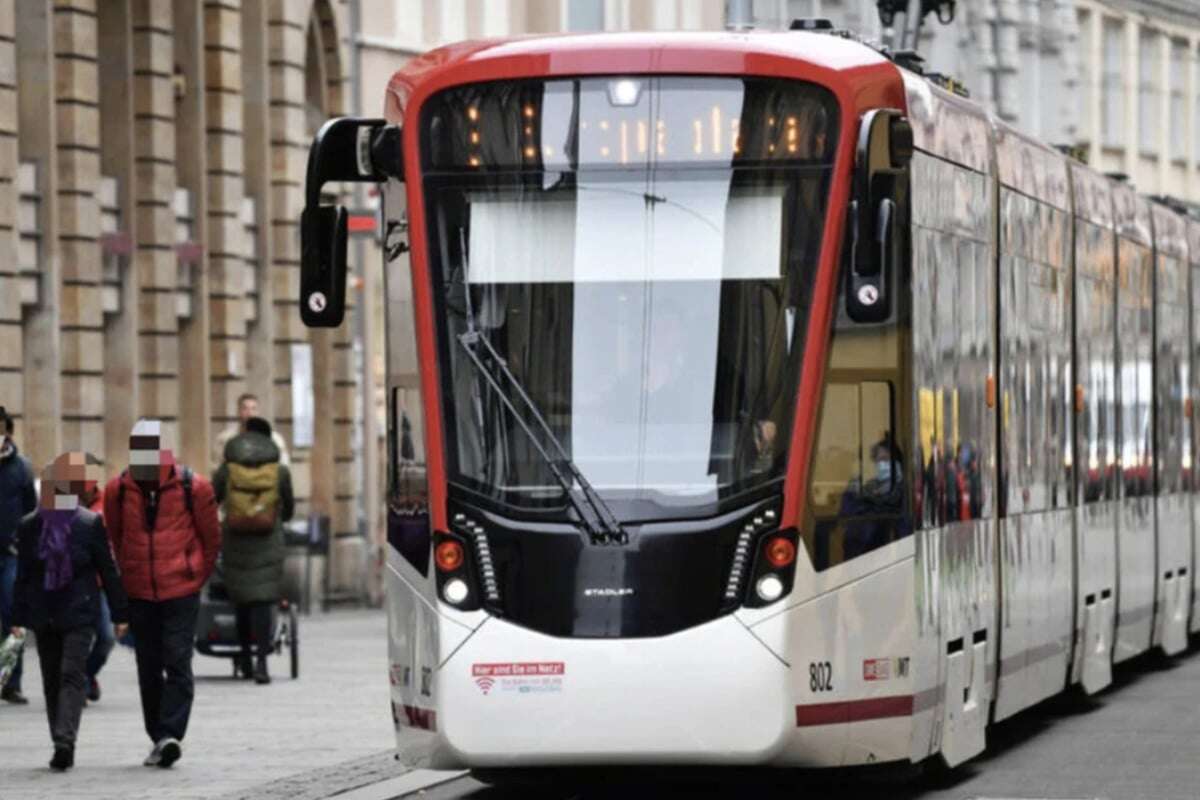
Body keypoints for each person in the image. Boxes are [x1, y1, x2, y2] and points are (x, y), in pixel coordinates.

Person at [104, 419, 220, 768]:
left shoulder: (193, 487)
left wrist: (195, 574)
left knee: (178, 660)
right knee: (148, 666)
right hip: (139, 590)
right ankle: (159, 736)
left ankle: (171, 733)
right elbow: (114, 535)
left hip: (180, 589)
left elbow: (211, 538)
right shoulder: (118, 490)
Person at [10, 452, 129, 771]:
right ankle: (59, 738)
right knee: (51, 678)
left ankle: (65, 740)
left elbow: (108, 569)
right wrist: (17, 620)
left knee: (71, 674)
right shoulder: (30, 526)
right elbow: (23, 576)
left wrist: (120, 614)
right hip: (45, 614)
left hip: (79, 611)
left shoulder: (89, 524)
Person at [213, 417, 294, 684]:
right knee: (263, 601)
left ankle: (245, 658)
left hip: (235, 541)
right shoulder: (280, 472)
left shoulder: (227, 470)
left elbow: (213, 499)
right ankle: (262, 662)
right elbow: (290, 508)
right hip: (268, 541)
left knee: (242, 601)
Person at [0, 405, 37, 705]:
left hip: (12, 553)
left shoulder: (22, 467)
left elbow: (32, 512)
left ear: (8, 432)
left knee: (14, 615)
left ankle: (12, 681)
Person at [80, 454, 113, 702]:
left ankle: (85, 674)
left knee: (106, 638)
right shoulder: (62, 504)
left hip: (101, 583)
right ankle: (75, 683)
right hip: (73, 583)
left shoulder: (109, 503)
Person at [213, 393, 290, 473]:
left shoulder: (275, 438)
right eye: (245, 408)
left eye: (253, 409)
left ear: (258, 412)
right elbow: (216, 468)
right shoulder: (225, 438)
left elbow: (284, 466)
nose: (249, 413)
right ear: (238, 411)